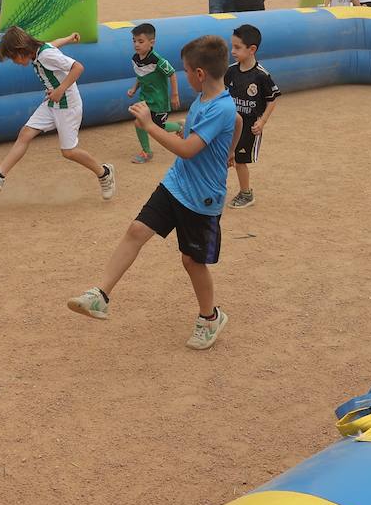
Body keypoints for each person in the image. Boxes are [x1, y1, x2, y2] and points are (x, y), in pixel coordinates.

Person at [65, 34, 239, 351]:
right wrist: (230, 149)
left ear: (200, 73)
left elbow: (187, 149)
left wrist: (150, 126)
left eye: (187, 71)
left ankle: (210, 317)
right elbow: (235, 123)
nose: (185, 76)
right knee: (136, 230)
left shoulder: (221, 108)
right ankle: (100, 295)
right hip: (176, 183)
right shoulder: (206, 99)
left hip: (202, 198)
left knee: (192, 261)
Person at [0, 27, 115, 201]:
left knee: (69, 152)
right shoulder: (40, 51)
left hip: (67, 105)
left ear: (21, 50)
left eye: (13, 57)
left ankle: (104, 173)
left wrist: (60, 90)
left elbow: (78, 67)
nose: (14, 62)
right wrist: (69, 37)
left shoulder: (46, 55)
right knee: (25, 133)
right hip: (52, 102)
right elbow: (53, 45)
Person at [224, 24, 280, 210]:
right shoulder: (230, 71)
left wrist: (262, 121)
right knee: (222, 156)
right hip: (230, 124)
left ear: (252, 49)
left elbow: (272, 100)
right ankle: (214, 189)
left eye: (237, 47)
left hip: (249, 127)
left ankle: (246, 194)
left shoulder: (261, 76)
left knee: (240, 161)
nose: (232, 51)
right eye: (232, 46)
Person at [126, 22, 181, 164]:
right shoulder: (135, 59)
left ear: (152, 42)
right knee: (139, 123)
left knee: (158, 127)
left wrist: (174, 95)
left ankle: (180, 127)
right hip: (145, 99)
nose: (136, 45)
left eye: (140, 41)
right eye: (134, 41)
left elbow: (172, 73)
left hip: (159, 101)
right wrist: (134, 88)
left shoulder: (158, 60)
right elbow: (141, 75)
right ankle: (147, 152)